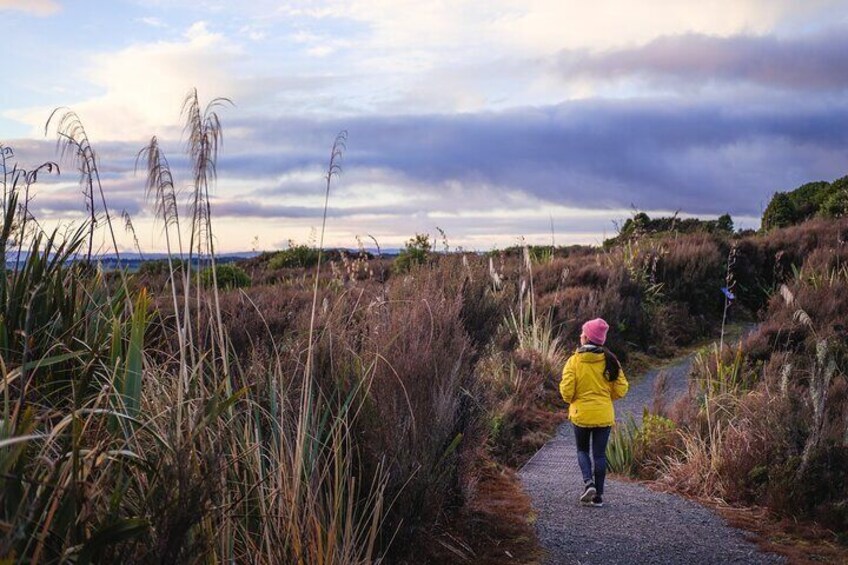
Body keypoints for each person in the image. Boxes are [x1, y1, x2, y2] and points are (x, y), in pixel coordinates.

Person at [559, 318, 629, 507]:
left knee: (582, 450)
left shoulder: (574, 361)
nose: (580, 335)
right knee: (599, 455)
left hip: (581, 415)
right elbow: (621, 389)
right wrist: (605, 398)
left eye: (582, 332)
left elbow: (566, 393)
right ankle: (598, 497)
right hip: (604, 415)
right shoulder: (611, 360)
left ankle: (588, 483)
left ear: (587, 337)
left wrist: (576, 399)